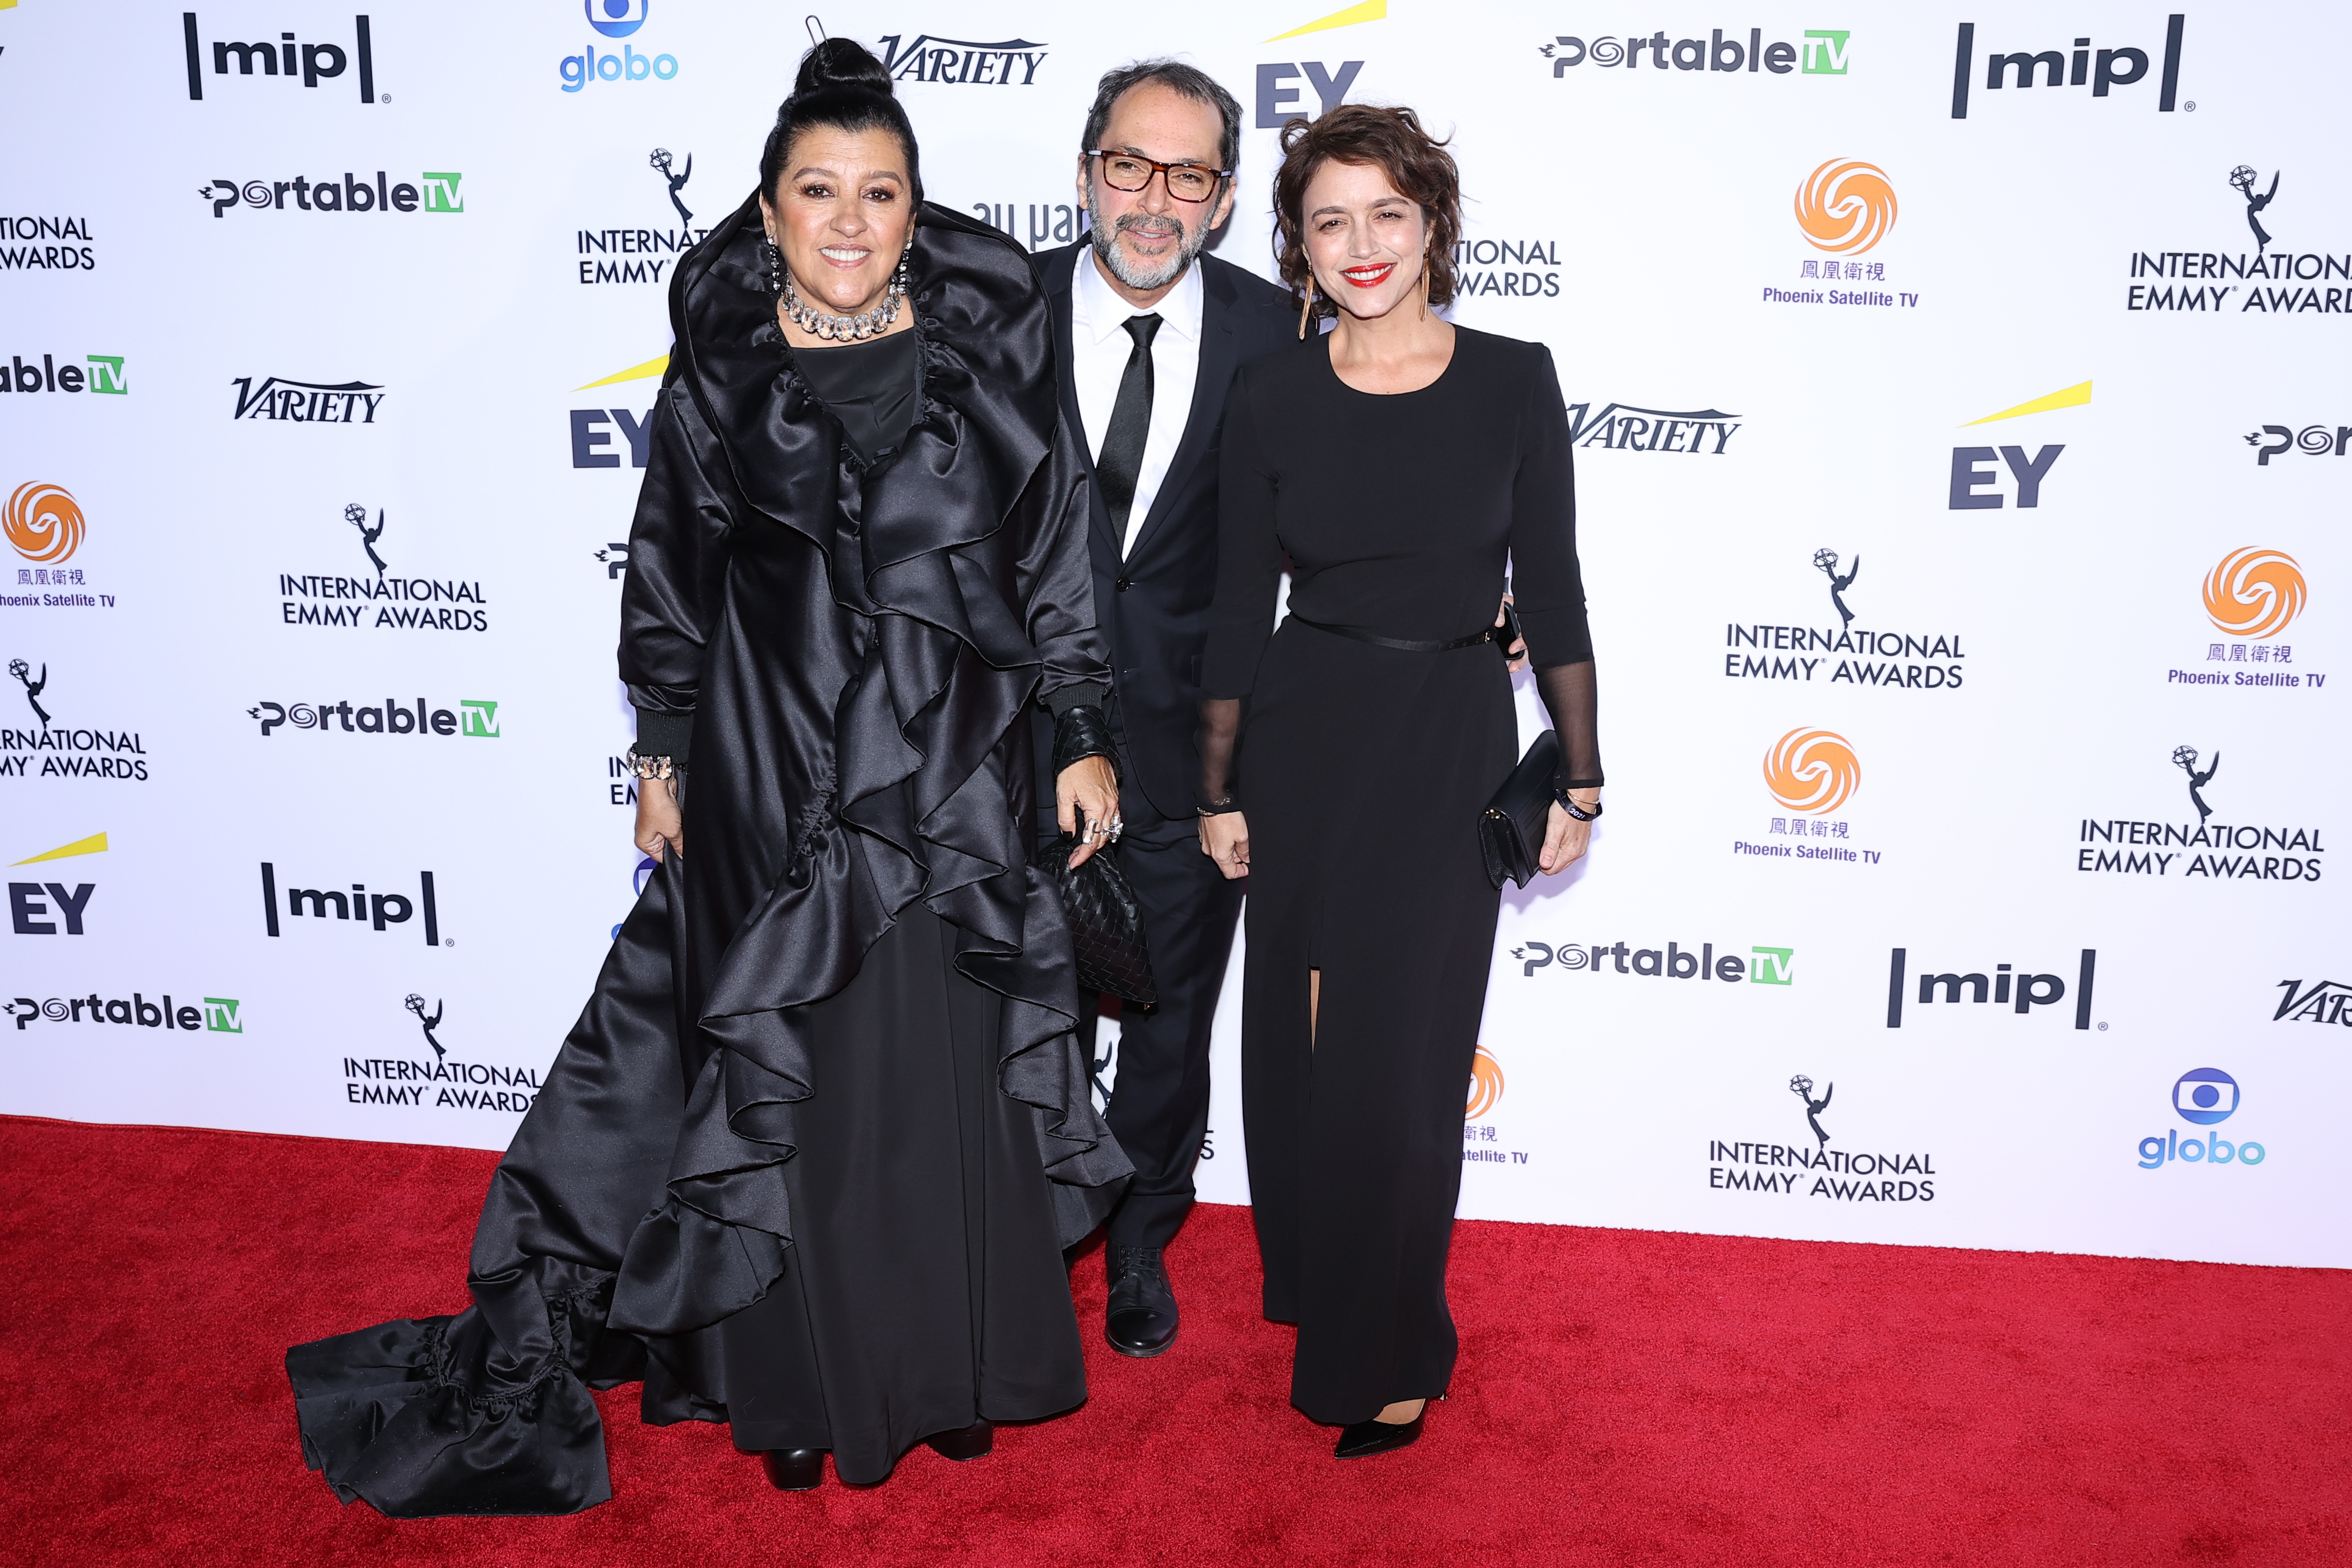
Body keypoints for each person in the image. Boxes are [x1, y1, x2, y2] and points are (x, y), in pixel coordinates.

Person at [283, 39, 1131, 1511]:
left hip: (949, 766)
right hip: (772, 759)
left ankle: (954, 1364)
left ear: (915, 211)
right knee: (796, 1061)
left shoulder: (989, 361)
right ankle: (789, 1380)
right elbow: (669, 565)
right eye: (818, 191)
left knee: (930, 1062)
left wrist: (1080, 725)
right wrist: (663, 747)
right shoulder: (719, 373)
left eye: (880, 192)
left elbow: (1057, 544)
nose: (850, 220)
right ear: (767, 209)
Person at [1195, 104, 1604, 1459]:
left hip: (1443, 740)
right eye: (1328, 221)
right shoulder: (1271, 391)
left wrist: (1581, 778)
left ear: (1433, 224)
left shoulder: (1511, 377)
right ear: (1298, 248)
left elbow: (1547, 587)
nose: (1360, 244)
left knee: (1402, 1065)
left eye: (1385, 214)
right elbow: (1236, 599)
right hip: (1305, 735)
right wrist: (1219, 787)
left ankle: (1396, 1345)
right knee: (1303, 1054)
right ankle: (1324, 1290)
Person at [1029, 60, 1297, 1359]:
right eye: (1128, 165)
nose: (1152, 200)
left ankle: (1138, 1238)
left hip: (1195, 749)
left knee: (1171, 1012)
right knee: (1016, 1001)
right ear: (1084, 170)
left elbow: (1356, 509)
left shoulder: (1274, 333)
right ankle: (1022, 1238)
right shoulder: (990, 311)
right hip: (1006, 742)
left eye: (1186, 175)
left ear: (1225, 198)